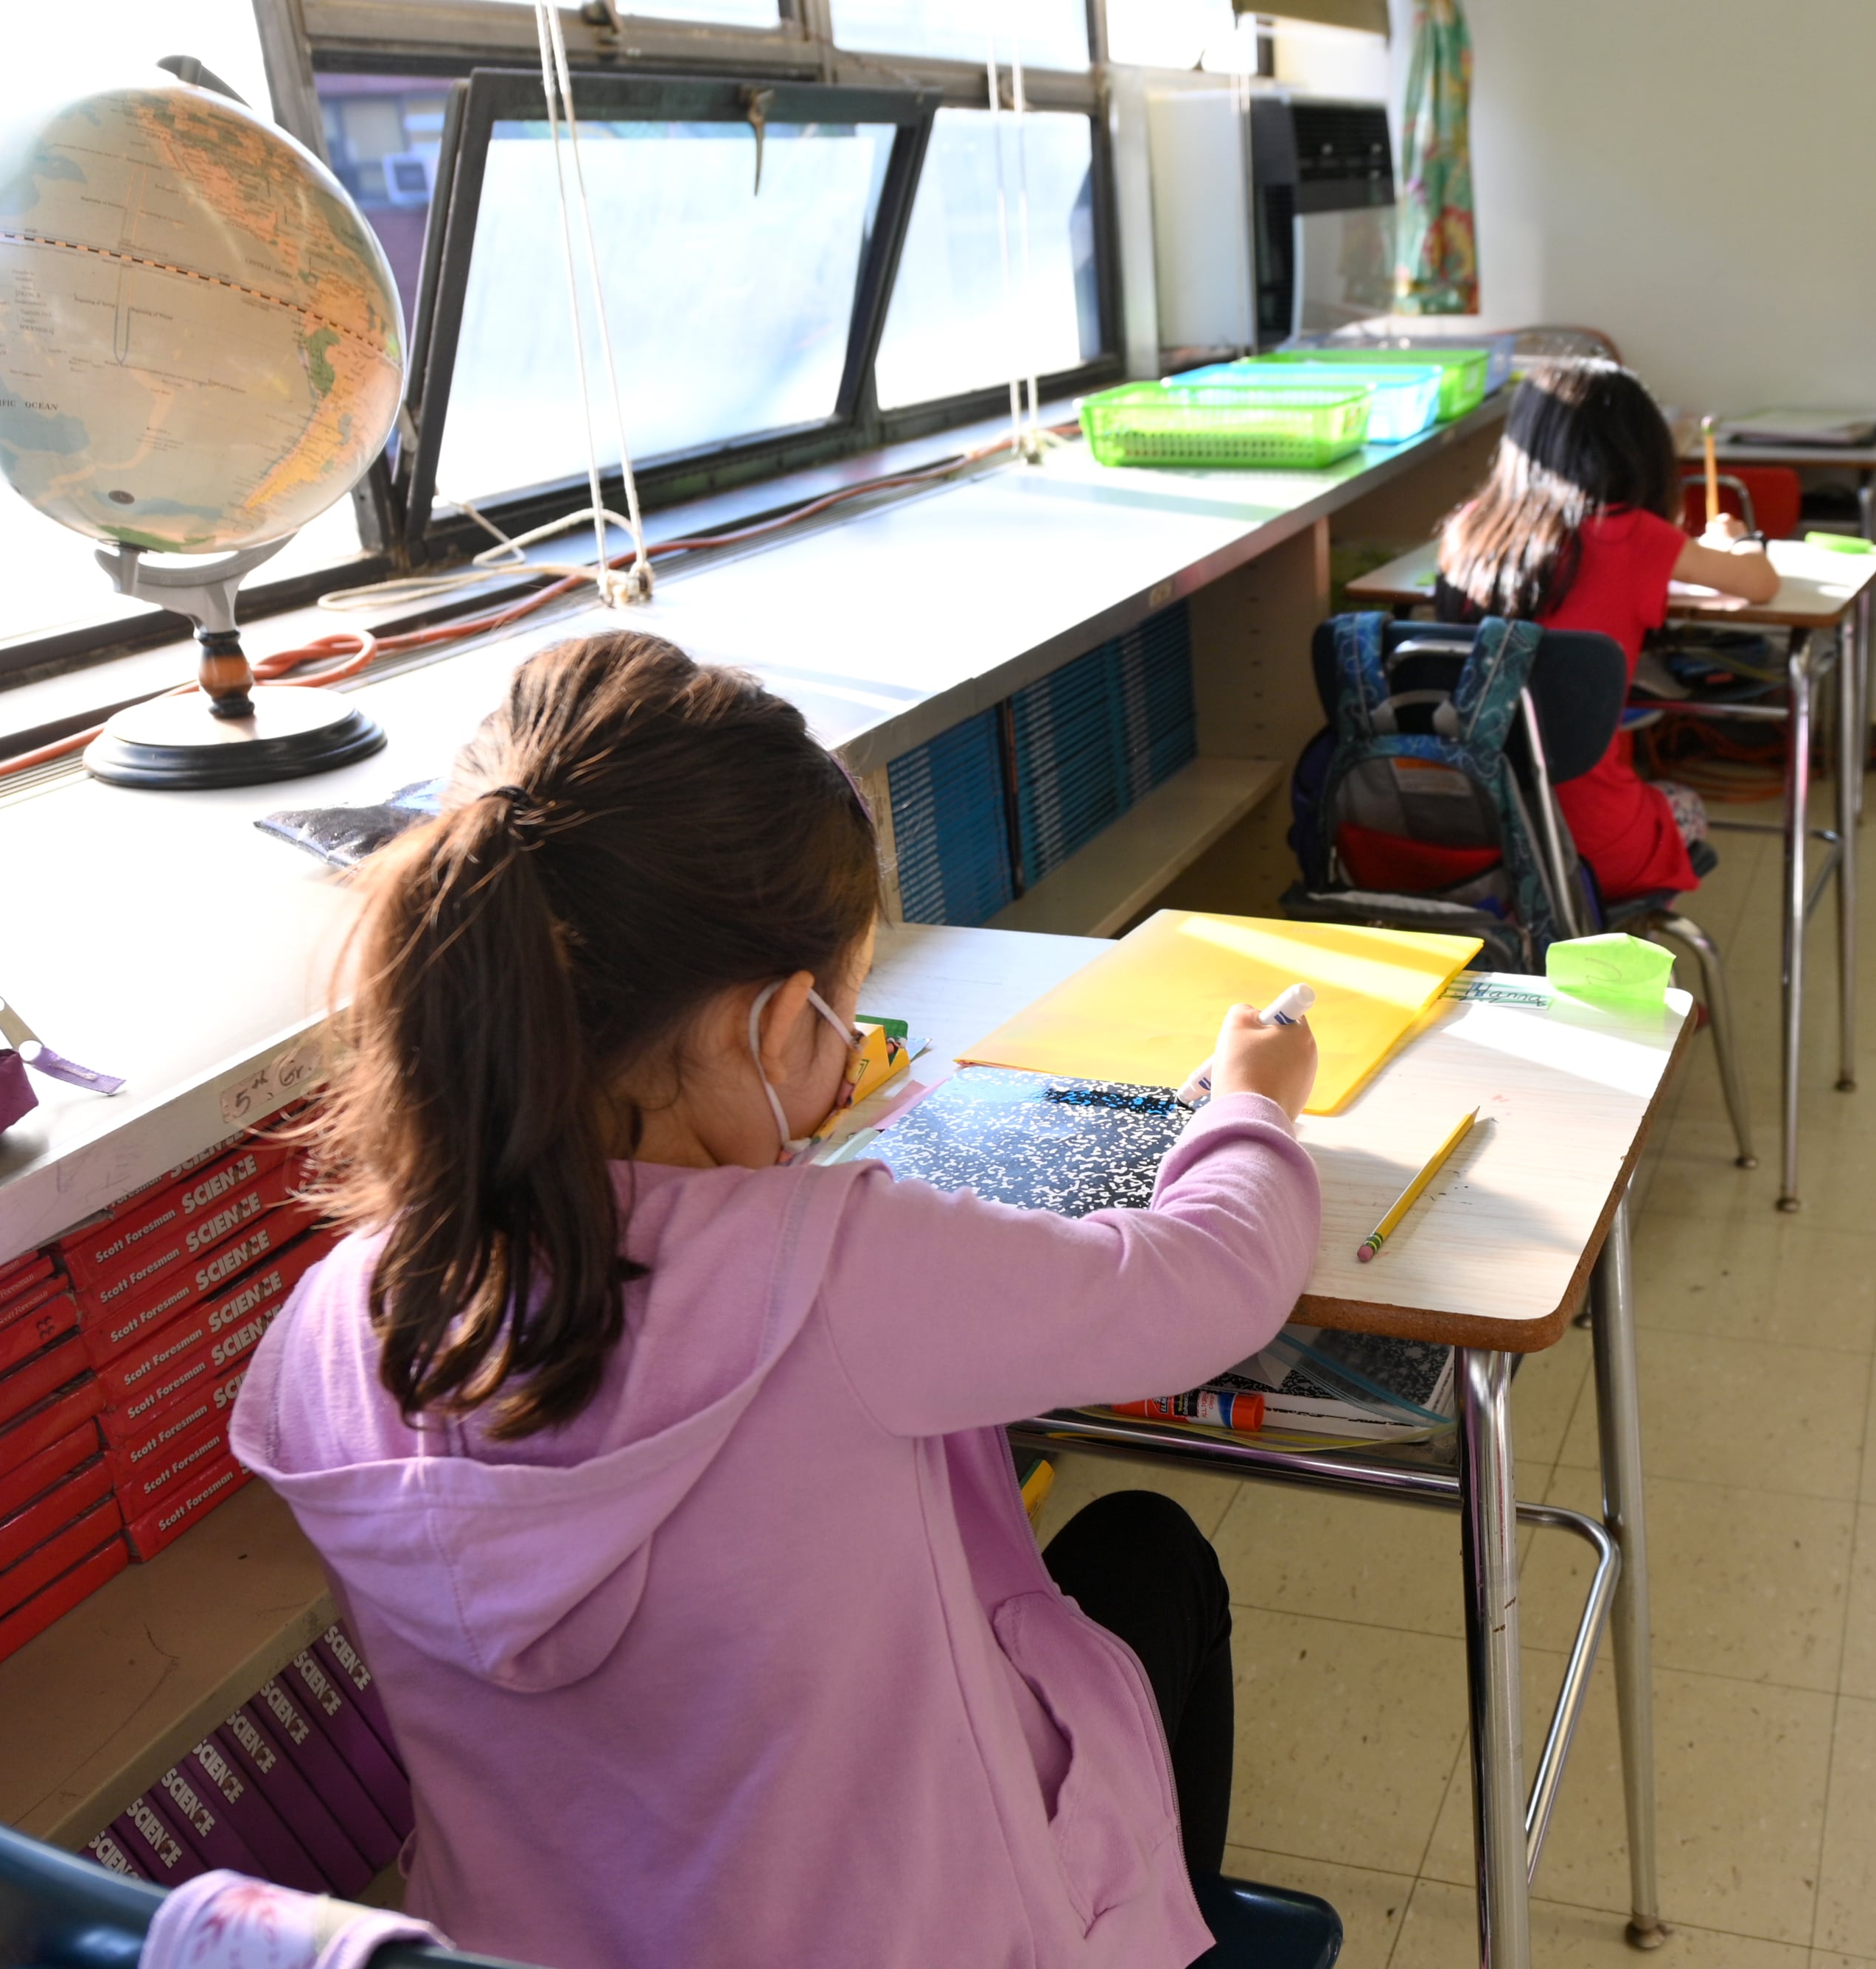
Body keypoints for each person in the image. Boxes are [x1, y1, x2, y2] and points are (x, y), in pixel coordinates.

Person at [231, 632, 1322, 1969]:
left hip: (534, 1945)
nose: (842, 1063)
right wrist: (1254, 1104)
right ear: (763, 1022)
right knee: (1149, 1551)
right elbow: (1218, 1282)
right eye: (833, 1026)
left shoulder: (327, 1330)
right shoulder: (840, 1271)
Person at [1437, 358, 1783, 902]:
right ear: (1637, 453)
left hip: (1467, 832)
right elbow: (1759, 584)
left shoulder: (1468, 528)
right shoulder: (1634, 535)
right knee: (1681, 803)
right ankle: (1608, 952)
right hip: (1590, 842)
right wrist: (1735, 538)